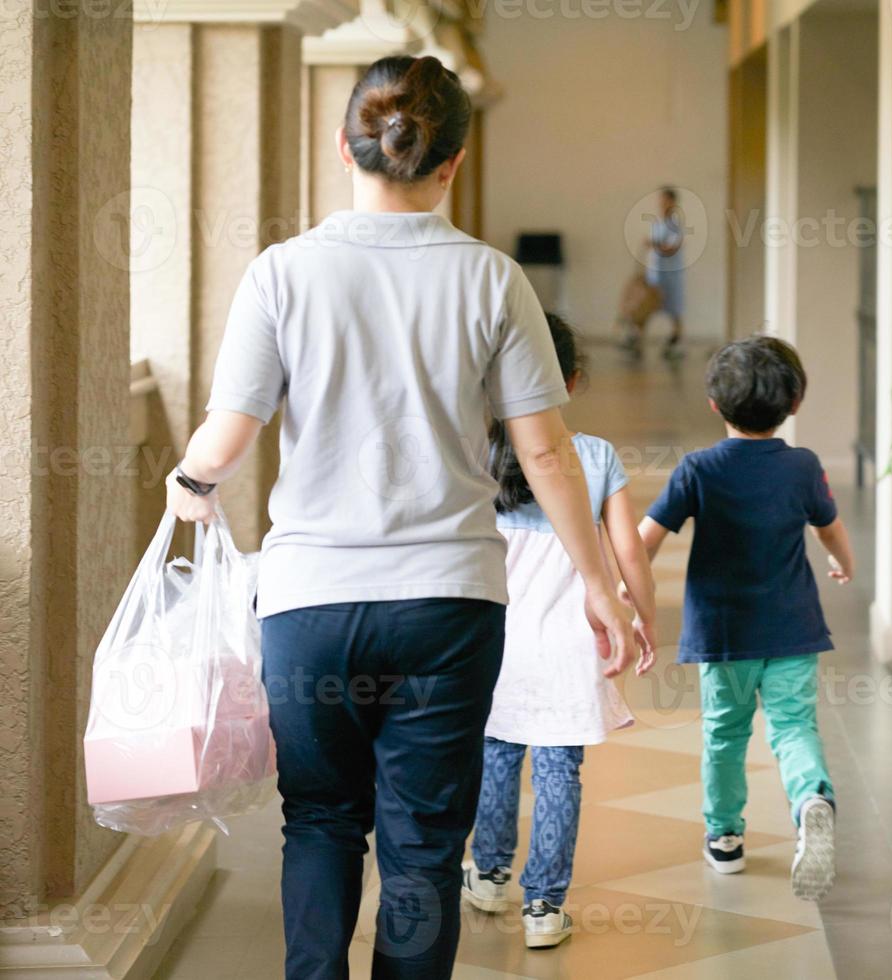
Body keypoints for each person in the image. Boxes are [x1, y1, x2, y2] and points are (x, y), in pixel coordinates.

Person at [164, 55, 636, 980]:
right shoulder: (495, 281)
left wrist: (190, 481)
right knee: (423, 841)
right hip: (448, 607)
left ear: (344, 146)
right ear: (453, 163)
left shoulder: (281, 273)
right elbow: (544, 453)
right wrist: (601, 584)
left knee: (323, 823)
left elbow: (228, 436)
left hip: (309, 606)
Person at [633, 336, 856, 902]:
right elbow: (828, 526)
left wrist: (626, 597)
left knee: (725, 736)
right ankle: (811, 799)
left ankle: (725, 837)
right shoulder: (803, 467)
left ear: (714, 403)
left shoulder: (698, 469)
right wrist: (843, 559)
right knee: (794, 728)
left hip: (724, 636)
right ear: (795, 403)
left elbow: (646, 539)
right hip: (792, 629)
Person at [461, 316, 657, 949]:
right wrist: (642, 617)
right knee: (559, 773)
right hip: (569, 647)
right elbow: (630, 553)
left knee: (495, 757)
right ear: (570, 382)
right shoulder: (595, 457)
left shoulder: (473, 453)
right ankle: (544, 907)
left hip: (492, 641)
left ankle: (488, 875)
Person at [643, 186, 686, 358]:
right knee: (647, 305)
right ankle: (637, 339)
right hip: (655, 273)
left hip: (670, 274)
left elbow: (672, 247)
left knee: (673, 307)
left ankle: (676, 340)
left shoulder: (675, 225)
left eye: (665, 200)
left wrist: (653, 244)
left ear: (673, 202)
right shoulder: (657, 224)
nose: (662, 203)